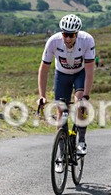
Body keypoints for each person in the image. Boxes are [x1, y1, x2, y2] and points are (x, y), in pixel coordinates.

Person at [38, 14, 96, 170]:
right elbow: (43, 70)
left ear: (77, 34)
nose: (68, 38)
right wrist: (42, 96)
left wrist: (86, 95)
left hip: (80, 74)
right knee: (60, 111)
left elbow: (90, 71)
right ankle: (61, 155)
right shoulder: (53, 42)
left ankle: (81, 140)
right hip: (62, 75)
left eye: (71, 35)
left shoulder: (87, 40)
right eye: (65, 34)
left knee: (79, 104)